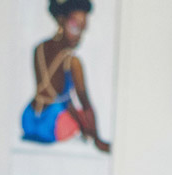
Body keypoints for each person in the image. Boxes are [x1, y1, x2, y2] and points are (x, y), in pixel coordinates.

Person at [21, 0, 111, 152]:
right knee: (82, 115)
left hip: (28, 120)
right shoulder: (72, 61)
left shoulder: (39, 49)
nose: (80, 36)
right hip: (51, 126)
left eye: (83, 29)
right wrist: (96, 138)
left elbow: (48, 91)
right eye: (76, 27)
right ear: (61, 22)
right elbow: (83, 102)